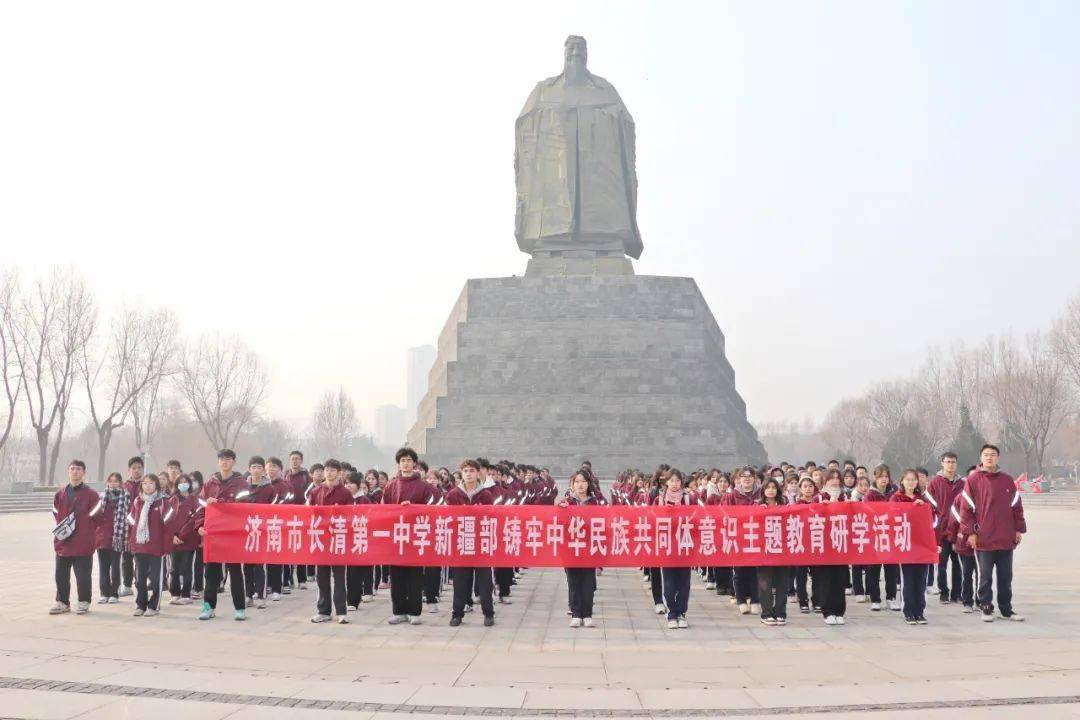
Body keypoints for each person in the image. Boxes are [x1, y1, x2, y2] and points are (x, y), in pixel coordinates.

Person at [959, 444, 1027, 623]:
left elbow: (1016, 507)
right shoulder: (973, 480)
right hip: (984, 538)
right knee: (985, 576)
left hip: (1005, 538)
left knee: (1005, 576)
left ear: (998, 458)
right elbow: (966, 510)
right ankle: (986, 608)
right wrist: (971, 533)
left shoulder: (1007, 480)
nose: (989, 458)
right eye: (986, 455)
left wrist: (1018, 529)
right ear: (981, 458)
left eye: (993, 455)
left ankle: (1006, 609)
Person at [195, 449, 250, 621]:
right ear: (218, 462)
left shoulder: (241, 484)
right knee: (211, 573)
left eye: (228, 459)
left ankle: (240, 608)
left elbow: (245, 507)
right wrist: (200, 527)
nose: (224, 462)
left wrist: (219, 503)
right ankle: (209, 607)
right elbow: (200, 508)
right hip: (213, 534)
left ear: (234, 462)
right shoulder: (209, 484)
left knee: (235, 572)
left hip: (233, 534)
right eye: (221, 459)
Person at [383, 447, 435, 625]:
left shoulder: (424, 486)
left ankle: (414, 611)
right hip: (397, 536)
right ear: (398, 463)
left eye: (409, 460)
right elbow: (384, 510)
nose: (405, 463)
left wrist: (413, 508)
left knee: (415, 575)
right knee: (396, 575)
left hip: (416, 536)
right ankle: (399, 611)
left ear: (414, 463)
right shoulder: (391, 485)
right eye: (402, 460)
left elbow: (433, 507)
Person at [445, 459, 496, 627]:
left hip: (481, 545)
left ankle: (488, 613)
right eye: (465, 471)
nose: (468, 474)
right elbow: (447, 519)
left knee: (485, 583)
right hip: (461, 544)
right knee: (460, 582)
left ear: (478, 473)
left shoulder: (486, 495)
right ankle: (457, 614)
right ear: (461, 473)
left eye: (472, 471)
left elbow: (491, 518)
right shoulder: (453, 495)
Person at [50, 460, 101, 615]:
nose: (75, 472)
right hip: (63, 542)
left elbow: (97, 517)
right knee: (61, 575)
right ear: (68, 471)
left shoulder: (91, 494)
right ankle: (62, 602)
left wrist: (83, 527)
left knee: (83, 575)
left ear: (84, 472)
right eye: (72, 469)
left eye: (78, 469)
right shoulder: (60, 494)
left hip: (83, 542)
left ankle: (84, 601)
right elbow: (56, 514)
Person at [310, 459, 353, 624]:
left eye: (333, 470)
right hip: (321, 540)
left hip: (338, 539)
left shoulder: (345, 493)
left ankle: (342, 611)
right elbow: (310, 515)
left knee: (340, 578)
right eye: (327, 470)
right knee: (322, 577)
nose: (329, 473)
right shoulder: (315, 492)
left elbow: (351, 516)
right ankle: (323, 611)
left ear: (339, 473)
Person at [560, 471, 600, 628]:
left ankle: (587, 614)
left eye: (583, 481)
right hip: (571, 548)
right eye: (577, 482)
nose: (580, 484)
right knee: (574, 581)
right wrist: (560, 510)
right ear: (572, 484)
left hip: (589, 548)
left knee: (588, 582)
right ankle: (576, 613)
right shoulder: (566, 503)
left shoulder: (595, 503)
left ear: (588, 484)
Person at [891, 469, 929, 625]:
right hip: (905, 544)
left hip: (922, 544)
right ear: (902, 481)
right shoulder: (896, 498)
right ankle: (908, 611)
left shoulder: (924, 498)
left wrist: (922, 506)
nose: (911, 482)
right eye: (908, 479)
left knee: (921, 579)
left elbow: (931, 520)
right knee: (908, 579)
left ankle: (919, 611)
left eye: (914, 479)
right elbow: (892, 517)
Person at [721, 467, 760, 615]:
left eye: (750, 476)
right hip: (738, 537)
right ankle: (741, 599)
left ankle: (756, 600)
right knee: (739, 571)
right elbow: (724, 514)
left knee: (756, 570)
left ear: (754, 478)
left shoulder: (761, 493)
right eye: (744, 476)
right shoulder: (732, 496)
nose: (747, 479)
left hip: (756, 537)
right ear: (739, 479)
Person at [129, 473, 169, 616]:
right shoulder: (137, 501)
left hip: (157, 547)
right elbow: (132, 523)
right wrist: (132, 543)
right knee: (139, 579)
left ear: (156, 485)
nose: (147, 486)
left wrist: (166, 546)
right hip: (140, 546)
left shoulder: (164, 501)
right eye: (145, 483)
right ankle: (140, 604)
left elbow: (168, 526)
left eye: (151, 483)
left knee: (156, 579)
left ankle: (154, 606)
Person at [927, 452, 964, 604]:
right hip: (941, 531)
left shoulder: (963, 483)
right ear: (942, 463)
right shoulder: (935, 483)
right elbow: (929, 507)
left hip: (958, 530)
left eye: (953, 462)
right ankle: (944, 592)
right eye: (947, 462)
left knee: (958, 564)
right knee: (941, 564)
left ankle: (957, 593)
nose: (950, 465)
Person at [864, 464, 901, 612]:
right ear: (875, 478)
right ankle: (875, 599)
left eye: (886, 477)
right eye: (881, 477)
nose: (884, 480)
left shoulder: (894, 492)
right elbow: (867, 512)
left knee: (891, 569)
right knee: (873, 569)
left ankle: (891, 598)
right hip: (875, 535)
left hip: (891, 535)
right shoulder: (870, 494)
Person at [756, 476, 789, 626]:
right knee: (765, 583)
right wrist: (758, 512)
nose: (771, 490)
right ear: (763, 490)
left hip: (782, 549)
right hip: (764, 549)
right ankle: (767, 613)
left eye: (773, 488)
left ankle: (780, 612)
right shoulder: (757, 505)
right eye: (768, 487)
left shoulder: (785, 505)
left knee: (783, 582)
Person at [166, 473, 200, 606]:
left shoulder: (194, 500)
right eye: (180, 482)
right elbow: (168, 520)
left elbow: (194, 520)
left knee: (187, 567)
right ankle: (175, 593)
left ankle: (186, 594)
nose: (183, 484)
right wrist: (173, 536)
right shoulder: (172, 500)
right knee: (174, 568)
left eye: (186, 481)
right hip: (174, 541)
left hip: (189, 539)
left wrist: (182, 535)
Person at [344, 471, 375, 610]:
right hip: (348, 539)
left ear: (357, 485)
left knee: (362, 569)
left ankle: (363, 594)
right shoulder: (345, 499)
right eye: (346, 483)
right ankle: (352, 600)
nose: (348, 486)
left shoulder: (364, 500)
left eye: (351, 483)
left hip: (361, 538)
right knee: (351, 572)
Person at [93, 472, 125, 604]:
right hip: (102, 537)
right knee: (103, 566)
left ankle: (114, 593)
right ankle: (104, 592)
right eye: (111, 481)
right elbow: (94, 516)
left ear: (120, 483)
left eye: (116, 481)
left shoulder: (125, 497)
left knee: (115, 566)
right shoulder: (101, 498)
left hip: (117, 537)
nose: (113, 483)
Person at [118, 456, 145, 597]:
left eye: (139, 468)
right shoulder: (124, 486)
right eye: (134, 468)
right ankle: (127, 585)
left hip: (143, 527)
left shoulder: (147, 484)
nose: (136, 470)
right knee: (126, 557)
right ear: (129, 470)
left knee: (141, 558)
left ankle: (140, 584)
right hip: (127, 527)